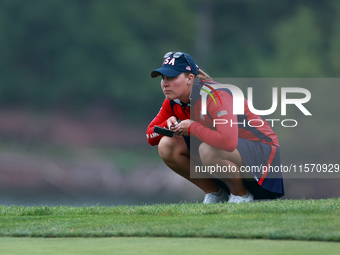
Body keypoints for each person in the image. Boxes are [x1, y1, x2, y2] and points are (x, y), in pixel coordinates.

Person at [146, 51, 284, 203]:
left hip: (263, 152)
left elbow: (228, 142)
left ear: (190, 78)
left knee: (207, 149)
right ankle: (216, 193)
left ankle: (241, 195)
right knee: (166, 145)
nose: (165, 83)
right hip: (231, 153)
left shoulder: (216, 96)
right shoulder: (173, 100)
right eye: (163, 78)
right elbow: (150, 136)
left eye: (171, 77)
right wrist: (167, 124)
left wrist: (193, 128)